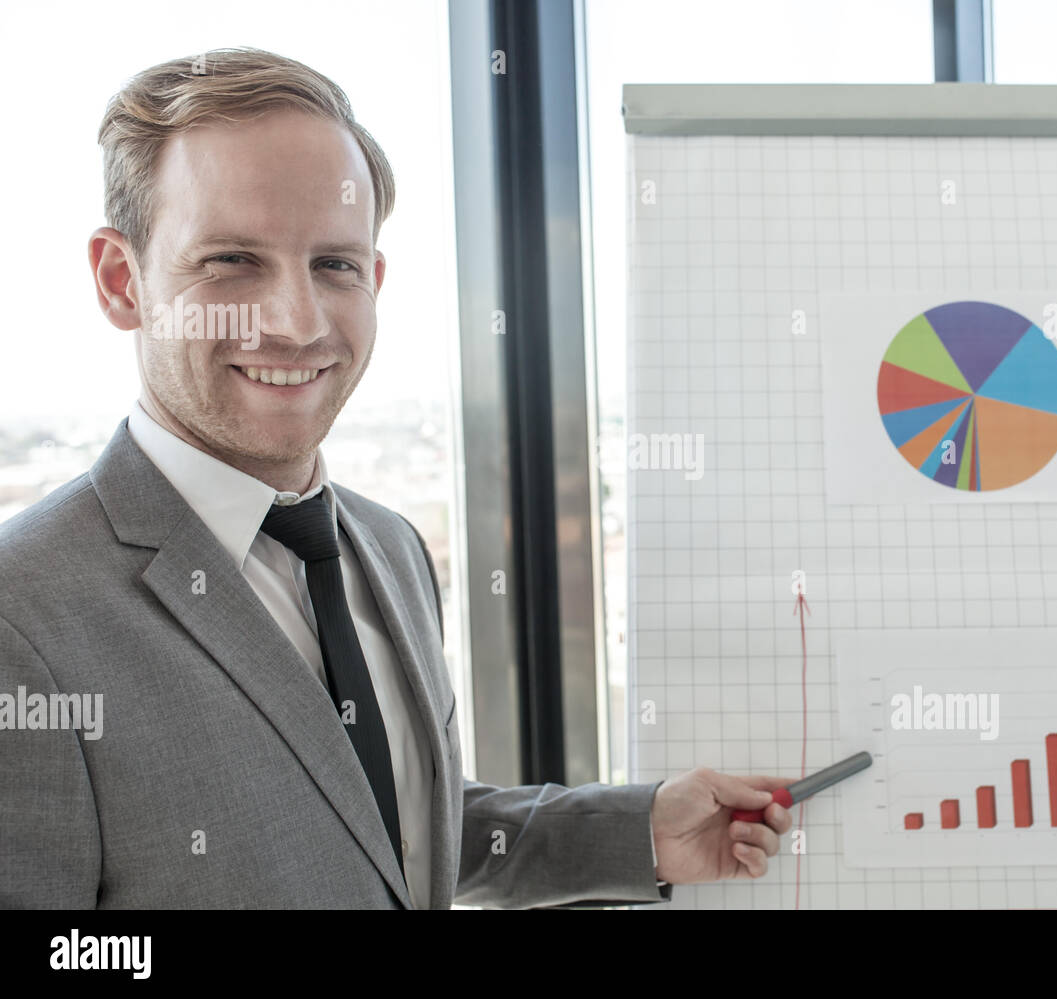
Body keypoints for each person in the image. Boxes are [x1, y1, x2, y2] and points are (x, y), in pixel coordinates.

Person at [0, 47, 792, 908]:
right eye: (231, 261)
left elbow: (379, 822)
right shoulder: (24, 616)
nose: (296, 321)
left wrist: (634, 832)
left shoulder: (387, 546)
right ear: (123, 282)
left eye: (334, 265)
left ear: (373, 281)